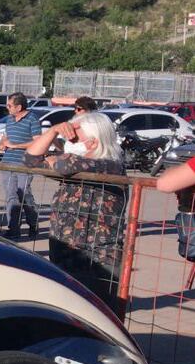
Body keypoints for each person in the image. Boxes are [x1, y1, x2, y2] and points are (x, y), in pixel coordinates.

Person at [24, 110, 127, 314]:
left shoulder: (110, 165)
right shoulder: (77, 167)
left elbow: (64, 163)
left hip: (97, 256)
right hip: (65, 247)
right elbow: (30, 159)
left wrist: (59, 158)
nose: (68, 141)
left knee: (97, 312)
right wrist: (53, 130)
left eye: (74, 137)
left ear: (92, 142)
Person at [0, 93, 43, 239]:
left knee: (24, 194)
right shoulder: (10, 119)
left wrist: (16, 146)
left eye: (9, 105)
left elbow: (37, 141)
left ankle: (33, 222)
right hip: (8, 162)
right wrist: (2, 143)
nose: (7, 107)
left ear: (19, 107)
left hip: (24, 163)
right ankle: (13, 228)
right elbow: (6, 135)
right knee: (11, 195)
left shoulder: (32, 119)